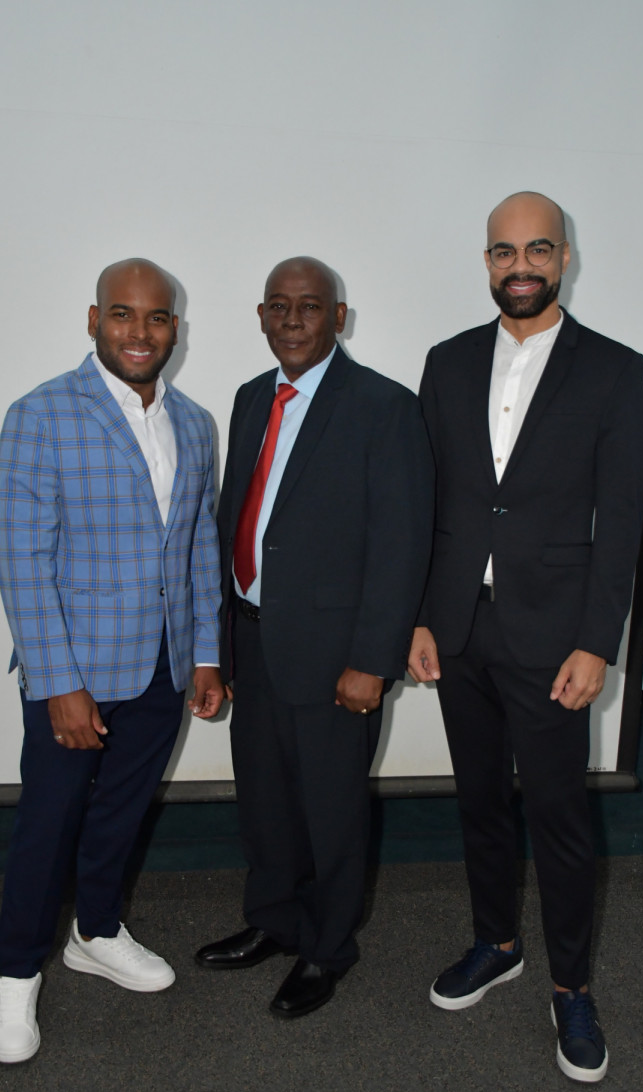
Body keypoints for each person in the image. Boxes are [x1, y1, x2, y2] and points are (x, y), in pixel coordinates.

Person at [408, 193, 643, 1083]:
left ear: (565, 259)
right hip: (461, 630)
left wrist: (598, 640)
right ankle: (495, 941)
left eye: (538, 249)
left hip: (555, 639)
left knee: (558, 818)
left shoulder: (617, 372)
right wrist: (424, 616)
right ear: (485, 261)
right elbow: (428, 505)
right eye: (505, 251)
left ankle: (572, 988)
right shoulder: (447, 362)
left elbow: (621, 521)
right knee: (479, 800)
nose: (521, 265)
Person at [0, 258, 223, 1063]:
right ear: (94, 320)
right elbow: (23, 559)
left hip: (162, 667)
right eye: (123, 315)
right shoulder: (41, 414)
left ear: (174, 331)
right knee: (47, 825)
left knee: (122, 812)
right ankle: (15, 976)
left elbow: (196, 548)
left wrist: (206, 655)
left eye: (156, 319)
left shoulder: (194, 423)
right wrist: (58, 683)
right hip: (76, 673)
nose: (139, 332)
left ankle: (95, 931)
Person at [195, 256, 433, 1018]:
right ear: (261, 317)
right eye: (278, 306)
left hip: (338, 657)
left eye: (310, 306)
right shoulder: (247, 400)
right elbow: (240, 515)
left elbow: (401, 545)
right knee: (265, 803)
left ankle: (328, 949)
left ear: (339, 318)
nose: (293, 319)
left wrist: (373, 661)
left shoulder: (383, 406)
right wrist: (223, 644)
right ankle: (274, 921)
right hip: (257, 640)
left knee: (331, 810)